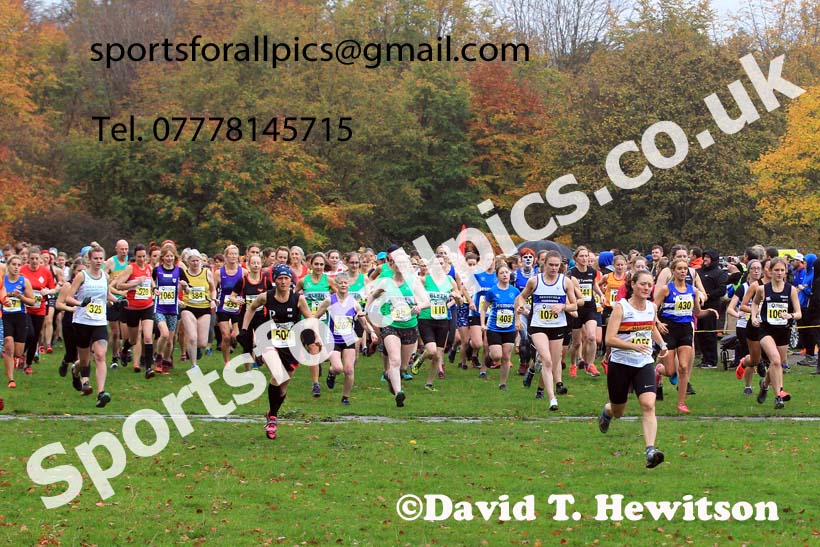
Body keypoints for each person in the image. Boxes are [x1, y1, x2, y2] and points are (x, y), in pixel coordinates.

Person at [598, 270, 668, 469]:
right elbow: (609, 339)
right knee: (619, 410)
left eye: (649, 285)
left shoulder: (652, 307)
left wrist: (662, 344)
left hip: (644, 362)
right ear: (633, 284)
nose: (647, 288)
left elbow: (650, 326)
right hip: (620, 363)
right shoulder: (621, 307)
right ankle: (607, 412)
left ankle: (650, 450)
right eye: (643, 284)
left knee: (648, 404)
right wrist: (632, 346)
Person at [240, 264, 316, 439]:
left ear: (291, 280)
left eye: (286, 278)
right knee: (278, 375)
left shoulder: (298, 299)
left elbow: (310, 319)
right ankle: (273, 419)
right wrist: (244, 329)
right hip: (267, 340)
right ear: (274, 280)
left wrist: (316, 337)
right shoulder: (266, 297)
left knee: (284, 382)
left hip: (291, 345)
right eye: (280, 278)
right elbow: (251, 308)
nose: (283, 281)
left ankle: (272, 413)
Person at [654, 258, 719, 413]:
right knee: (670, 371)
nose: (683, 271)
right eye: (680, 269)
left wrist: (709, 312)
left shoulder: (693, 291)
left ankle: (681, 402)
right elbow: (652, 309)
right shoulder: (666, 289)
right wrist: (658, 323)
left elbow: (697, 313)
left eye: (685, 269)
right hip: (669, 330)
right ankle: (658, 370)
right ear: (673, 271)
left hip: (685, 330)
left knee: (683, 367)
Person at [515, 250, 578, 410]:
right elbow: (521, 296)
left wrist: (563, 306)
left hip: (557, 326)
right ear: (544, 264)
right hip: (538, 325)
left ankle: (540, 388)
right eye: (551, 265)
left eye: (557, 265)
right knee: (547, 360)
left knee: (554, 362)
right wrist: (521, 304)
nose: (554, 268)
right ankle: (552, 399)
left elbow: (575, 305)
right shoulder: (534, 281)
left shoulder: (565, 282)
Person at [368, 249, 427, 408]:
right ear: (391, 265)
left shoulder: (413, 282)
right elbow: (372, 296)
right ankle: (399, 393)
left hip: (409, 325)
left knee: (403, 366)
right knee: (394, 360)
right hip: (390, 325)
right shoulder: (385, 282)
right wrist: (366, 311)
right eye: (396, 263)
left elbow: (427, 301)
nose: (400, 267)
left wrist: (419, 307)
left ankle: (390, 376)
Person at [313, 271, 373, 404]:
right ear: (336, 285)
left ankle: (345, 398)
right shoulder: (329, 300)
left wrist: (372, 332)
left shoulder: (354, 303)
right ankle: (331, 373)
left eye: (345, 283)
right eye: (341, 283)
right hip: (332, 339)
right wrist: (317, 335)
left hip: (348, 339)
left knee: (349, 369)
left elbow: (363, 321)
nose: (343, 285)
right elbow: (315, 318)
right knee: (338, 368)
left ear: (349, 285)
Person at [65, 245, 114, 407]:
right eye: (96, 258)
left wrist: (119, 301)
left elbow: (107, 295)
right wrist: (81, 303)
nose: (99, 261)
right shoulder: (81, 276)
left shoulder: (105, 277)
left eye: (101, 258)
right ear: (89, 259)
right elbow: (69, 298)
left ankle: (101, 393)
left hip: (99, 322)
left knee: (100, 355)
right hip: (82, 322)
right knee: (85, 361)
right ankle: (75, 370)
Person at [752, 257, 801, 409]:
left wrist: (790, 315)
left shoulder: (790, 289)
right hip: (766, 330)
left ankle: (765, 384)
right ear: (770, 271)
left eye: (782, 270)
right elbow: (754, 303)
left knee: (780, 363)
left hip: (782, 331)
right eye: (776, 270)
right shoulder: (763, 289)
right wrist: (754, 317)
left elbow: (799, 313)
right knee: (776, 361)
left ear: (786, 271)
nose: (779, 273)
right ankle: (778, 396)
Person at [411, 255, 462, 390]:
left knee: (438, 355)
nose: (439, 267)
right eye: (436, 264)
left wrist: (452, 301)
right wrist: (420, 305)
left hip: (442, 320)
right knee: (432, 350)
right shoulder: (424, 280)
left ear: (445, 265)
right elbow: (416, 295)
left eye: (441, 264)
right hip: (426, 319)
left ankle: (429, 383)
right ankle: (420, 359)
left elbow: (459, 299)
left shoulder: (450, 280)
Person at [296, 252, 336, 397]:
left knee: (323, 352)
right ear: (310, 265)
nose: (319, 267)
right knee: (313, 348)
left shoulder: (329, 281)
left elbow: (339, 297)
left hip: (324, 321)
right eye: (316, 264)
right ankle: (316, 384)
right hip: (306, 321)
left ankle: (327, 369)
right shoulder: (303, 281)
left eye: (321, 264)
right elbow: (294, 298)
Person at [113, 244, 156, 378]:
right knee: (132, 340)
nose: (142, 259)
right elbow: (119, 285)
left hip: (147, 306)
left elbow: (151, 283)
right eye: (139, 257)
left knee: (148, 337)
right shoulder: (130, 268)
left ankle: (149, 368)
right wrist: (135, 283)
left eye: (144, 256)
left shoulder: (149, 268)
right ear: (135, 257)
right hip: (132, 308)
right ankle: (124, 350)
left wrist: (155, 289)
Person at [480, 263, 520, 390]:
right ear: (497, 276)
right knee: (497, 355)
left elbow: (517, 309)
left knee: (506, 357)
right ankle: (489, 356)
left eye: (507, 272)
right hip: (494, 328)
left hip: (510, 329)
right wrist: (482, 324)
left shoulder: (515, 291)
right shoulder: (492, 291)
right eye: (502, 273)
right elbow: (484, 308)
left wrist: (518, 321)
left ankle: (503, 383)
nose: (505, 275)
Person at [20, 247, 56, 374]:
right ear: (28, 259)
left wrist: (47, 291)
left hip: (40, 308)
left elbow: (54, 288)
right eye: (32, 259)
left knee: (35, 336)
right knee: (29, 334)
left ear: (40, 259)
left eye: (37, 259)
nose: (34, 261)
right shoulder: (23, 270)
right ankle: (20, 355)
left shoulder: (45, 272)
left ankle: (28, 364)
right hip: (25, 307)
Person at [569, 246, 603, 377]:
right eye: (581, 256)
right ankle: (573, 363)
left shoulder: (592, 271)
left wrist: (600, 294)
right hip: (577, 309)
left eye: (586, 256)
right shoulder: (571, 273)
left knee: (592, 337)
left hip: (590, 308)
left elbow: (593, 284)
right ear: (576, 258)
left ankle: (591, 364)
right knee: (577, 343)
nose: (584, 258)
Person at [152, 244, 186, 374]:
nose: (169, 258)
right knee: (164, 334)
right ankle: (158, 356)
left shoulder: (179, 271)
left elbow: (187, 287)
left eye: (172, 256)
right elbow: (151, 282)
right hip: (160, 307)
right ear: (163, 257)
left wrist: (185, 286)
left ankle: (166, 361)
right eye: (167, 256)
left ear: (175, 257)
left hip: (173, 308)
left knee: (170, 340)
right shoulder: (157, 270)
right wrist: (154, 289)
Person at [179, 250, 216, 371]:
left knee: (202, 343)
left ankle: (195, 349)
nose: (195, 263)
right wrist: (182, 291)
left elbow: (213, 289)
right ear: (188, 262)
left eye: (197, 260)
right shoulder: (183, 274)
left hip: (204, 308)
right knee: (192, 337)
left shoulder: (207, 273)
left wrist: (213, 299)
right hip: (188, 307)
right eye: (192, 261)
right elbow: (177, 290)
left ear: (200, 261)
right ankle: (194, 365)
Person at [2, 256, 35, 388]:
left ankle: (17, 359)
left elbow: (32, 301)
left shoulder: (24, 281)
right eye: (13, 264)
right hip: (5, 316)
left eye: (18, 265)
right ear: (8, 266)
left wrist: (20, 296)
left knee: (18, 352)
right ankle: (11, 380)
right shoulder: (2, 281)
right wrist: (5, 297)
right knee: (8, 345)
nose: (16, 267)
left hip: (21, 316)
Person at [694, 250, 727, 369]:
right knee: (700, 333)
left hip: (712, 306)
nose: (705, 259)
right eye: (704, 257)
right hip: (698, 306)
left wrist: (707, 295)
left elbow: (722, 290)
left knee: (709, 333)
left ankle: (711, 360)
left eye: (708, 257)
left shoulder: (719, 273)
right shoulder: (698, 272)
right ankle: (704, 358)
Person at [215, 245, 244, 367]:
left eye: (235, 254)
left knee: (235, 335)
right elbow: (213, 289)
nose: (233, 256)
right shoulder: (218, 273)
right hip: (223, 307)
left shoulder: (243, 272)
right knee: (226, 336)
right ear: (226, 256)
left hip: (238, 307)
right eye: (230, 254)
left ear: (238, 256)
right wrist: (213, 299)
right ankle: (227, 361)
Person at [104, 239, 129, 369]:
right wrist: (107, 298)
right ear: (116, 249)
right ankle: (114, 358)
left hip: (126, 299)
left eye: (126, 249)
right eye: (122, 249)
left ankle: (124, 351)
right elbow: (102, 278)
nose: (124, 252)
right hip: (113, 300)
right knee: (115, 333)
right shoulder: (110, 262)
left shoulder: (130, 263)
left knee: (126, 333)